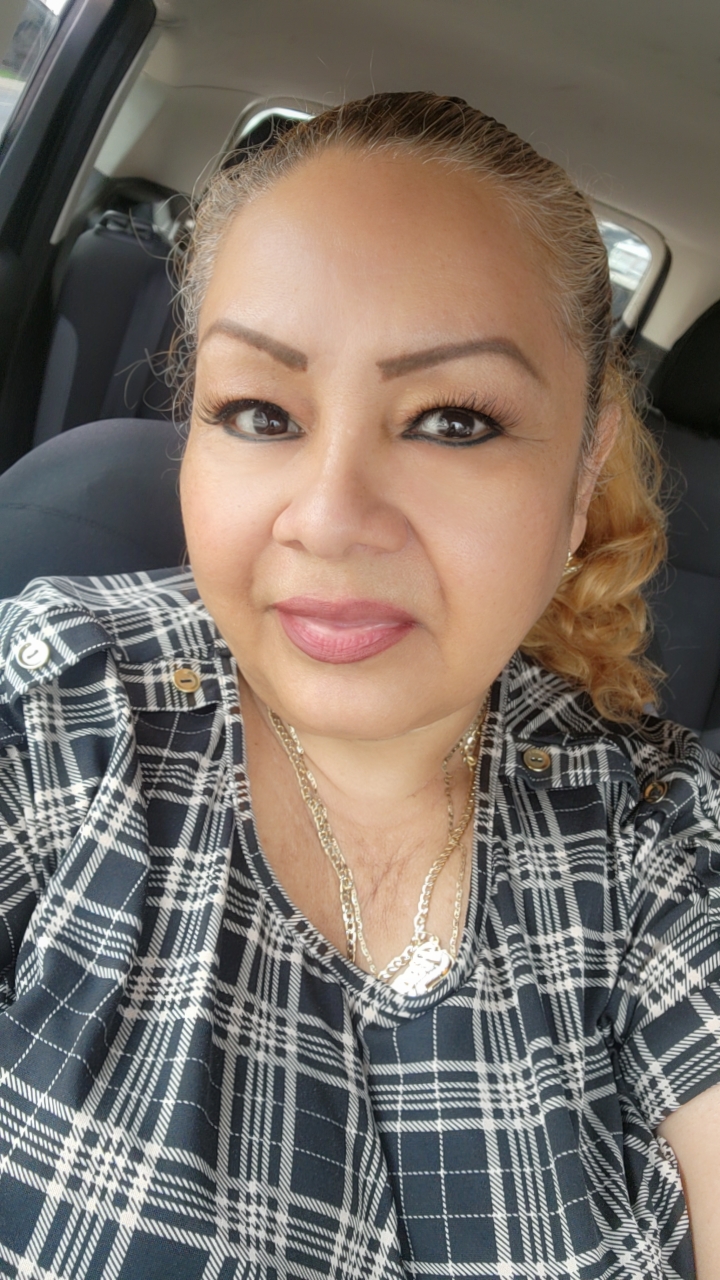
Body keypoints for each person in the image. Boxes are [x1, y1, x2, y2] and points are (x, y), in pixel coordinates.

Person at [0, 91, 719, 1280]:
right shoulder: (54, 704)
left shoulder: (661, 837)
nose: (330, 519)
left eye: (453, 420)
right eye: (259, 411)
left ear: (585, 464)